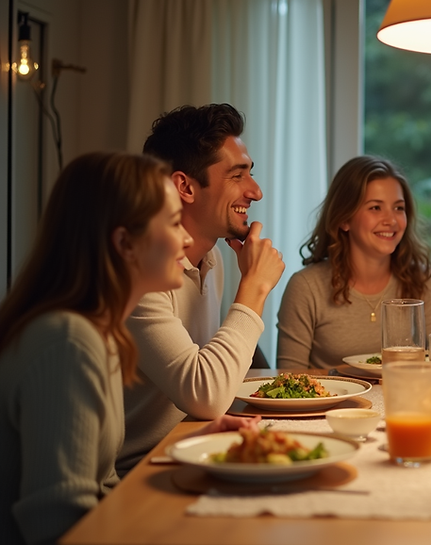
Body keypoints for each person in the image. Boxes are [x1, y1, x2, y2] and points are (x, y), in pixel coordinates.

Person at [0, 153, 256, 545]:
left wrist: (186, 446)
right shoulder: (68, 342)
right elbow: (58, 525)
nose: (187, 239)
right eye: (173, 224)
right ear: (124, 243)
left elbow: (103, 486)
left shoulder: (100, 332)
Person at [117, 104, 285, 474]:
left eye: (250, 174)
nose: (255, 192)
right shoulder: (143, 277)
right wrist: (254, 287)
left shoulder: (214, 262)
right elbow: (205, 394)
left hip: (190, 448)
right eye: (237, 176)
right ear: (186, 186)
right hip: (141, 472)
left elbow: (206, 391)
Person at [277, 155, 431, 370]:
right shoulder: (306, 287)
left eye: (399, 208)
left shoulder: (422, 280)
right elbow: (288, 377)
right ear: (344, 219)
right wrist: (350, 373)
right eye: (375, 208)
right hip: (333, 404)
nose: (392, 220)